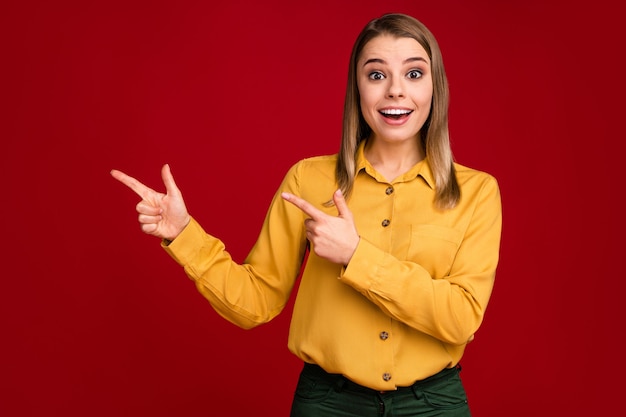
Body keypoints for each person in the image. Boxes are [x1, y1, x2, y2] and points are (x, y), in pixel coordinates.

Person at [111, 12, 502, 417]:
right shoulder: (308, 179)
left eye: (415, 74)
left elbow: (461, 320)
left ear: (435, 87)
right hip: (328, 405)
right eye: (376, 75)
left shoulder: (476, 192)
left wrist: (356, 255)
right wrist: (184, 233)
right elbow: (257, 300)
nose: (396, 92)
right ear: (358, 88)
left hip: (433, 405)